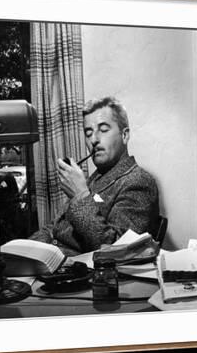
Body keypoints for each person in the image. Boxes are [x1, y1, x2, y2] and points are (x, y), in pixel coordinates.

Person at [29, 96, 159, 255]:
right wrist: (29, 249)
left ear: (124, 135)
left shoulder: (138, 181)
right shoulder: (96, 177)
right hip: (51, 261)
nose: (94, 140)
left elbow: (115, 249)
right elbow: (55, 227)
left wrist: (80, 195)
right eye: (88, 132)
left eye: (103, 130)